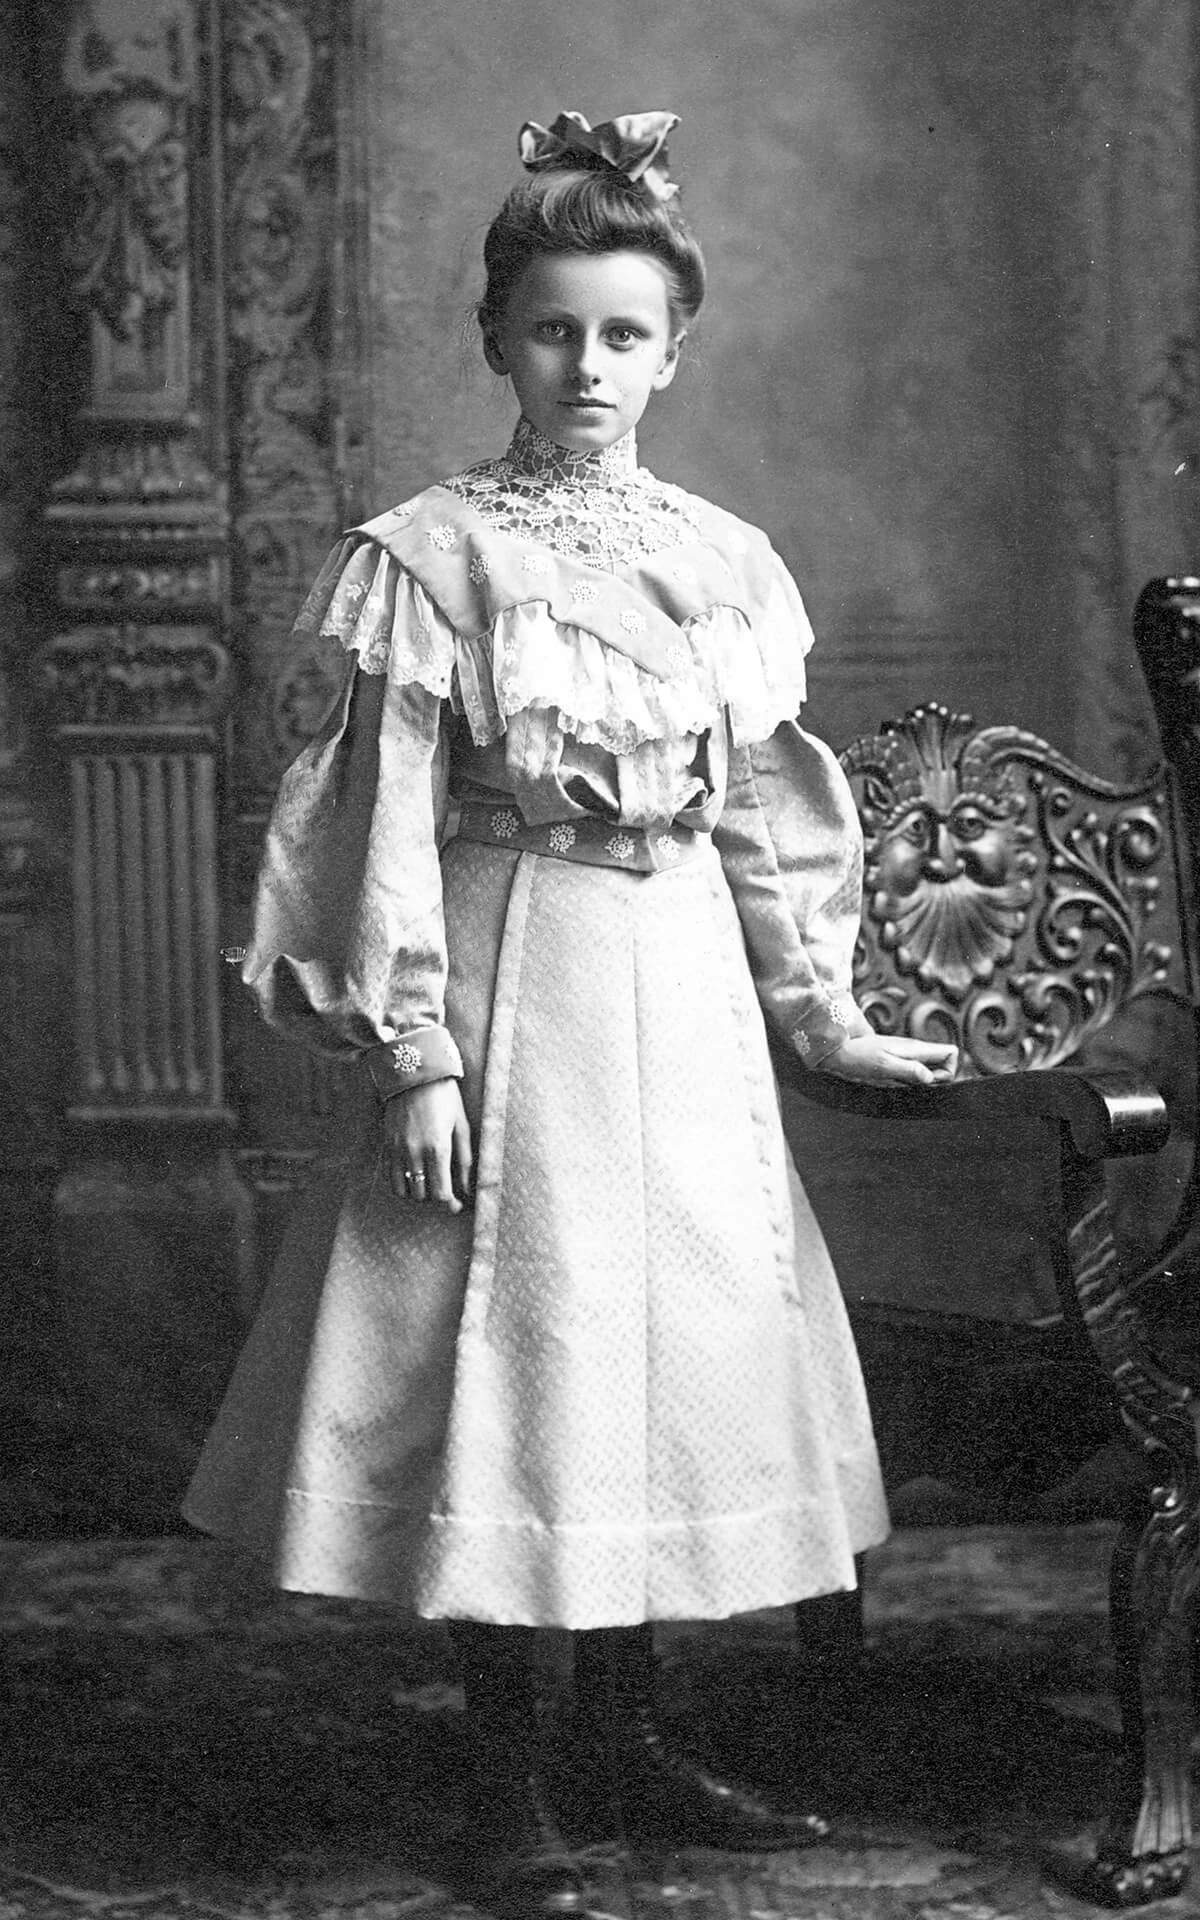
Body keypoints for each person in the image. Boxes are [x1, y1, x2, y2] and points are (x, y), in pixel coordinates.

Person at [185, 108, 956, 1916]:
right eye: (553, 328)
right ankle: (508, 1770)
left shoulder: (724, 558)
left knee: (667, 1357)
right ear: (495, 338)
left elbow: (765, 822)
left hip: (677, 985)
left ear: (675, 349)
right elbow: (373, 829)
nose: (587, 365)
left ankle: (634, 1736)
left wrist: (822, 1018)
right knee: (512, 1356)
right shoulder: (433, 554)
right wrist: (417, 1057)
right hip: (507, 960)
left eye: (623, 333)